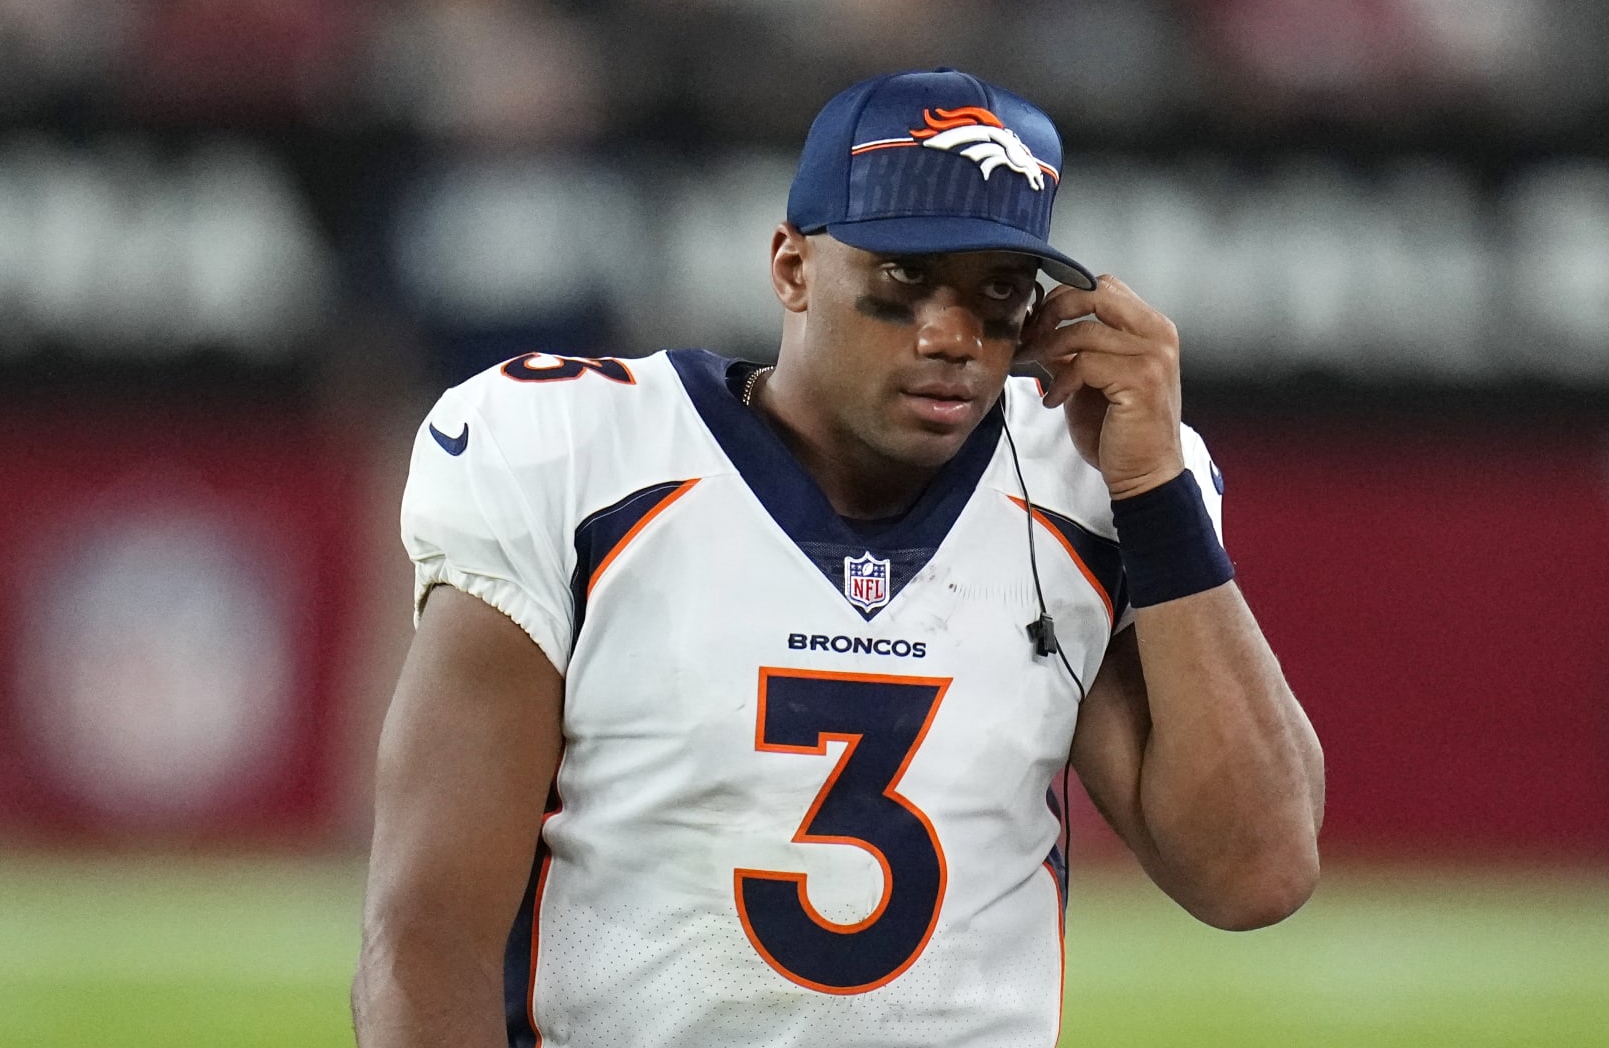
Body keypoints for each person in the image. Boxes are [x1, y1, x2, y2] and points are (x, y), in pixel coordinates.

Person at [354, 68, 1324, 1047]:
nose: (953, 337)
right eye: (905, 281)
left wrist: (1156, 486)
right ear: (791, 267)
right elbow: (430, 928)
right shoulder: (583, 457)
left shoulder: (1076, 483)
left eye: (998, 292)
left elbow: (1258, 872)